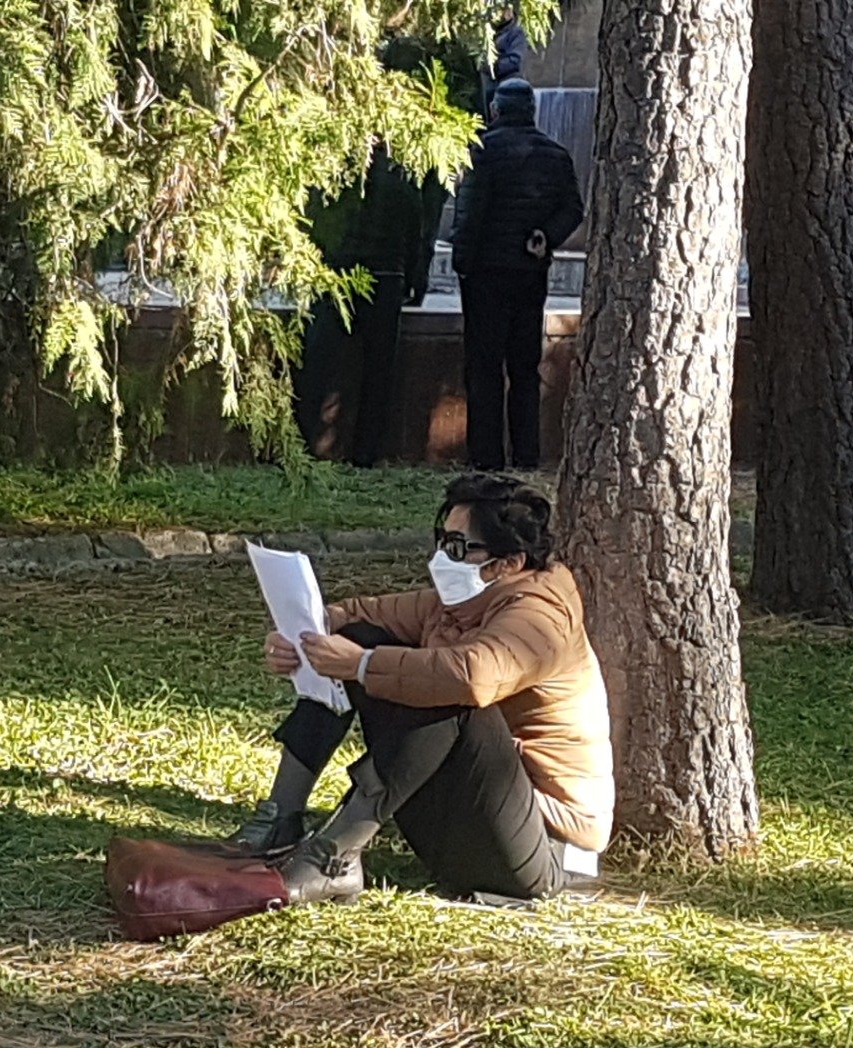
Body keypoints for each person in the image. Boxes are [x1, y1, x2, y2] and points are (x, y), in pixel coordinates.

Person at [226, 474, 614, 906]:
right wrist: (299, 638)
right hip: (472, 821)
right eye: (441, 540)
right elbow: (352, 617)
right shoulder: (460, 604)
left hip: (544, 850)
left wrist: (360, 664)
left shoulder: (542, 617)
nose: (441, 558)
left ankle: (333, 858)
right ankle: (280, 818)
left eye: (458, 548)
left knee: (447, 692)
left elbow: (472, 677)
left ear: (509, 563)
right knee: (359, 638)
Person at [451, 78, 584, 473]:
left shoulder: (483, 152)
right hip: (530, 272)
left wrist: (462, 264)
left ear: (496, 110)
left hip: (486, 274)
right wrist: (547, 236)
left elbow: (469, 214)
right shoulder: (555, 155)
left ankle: (486, 457)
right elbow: (573, 209)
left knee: (484, 367)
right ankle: (526, 456)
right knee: (525, 367)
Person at [297, 148, 446, 468]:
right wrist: (415, 279)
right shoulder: (402, 179)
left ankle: (304, 443)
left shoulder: (335, 176)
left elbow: (313, 223)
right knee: (379, 372)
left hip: (336, 276)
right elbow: (417, 232)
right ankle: (366, 452)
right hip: (385, 278)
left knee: (317, 366)